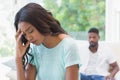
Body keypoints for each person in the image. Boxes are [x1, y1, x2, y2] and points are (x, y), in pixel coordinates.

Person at [14, 3, 81, 80]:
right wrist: (18, 59)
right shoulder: (34, 49)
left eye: (31, 31)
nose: (29, 38)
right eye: (25, 35)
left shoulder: (68, 45)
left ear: (42, 23)